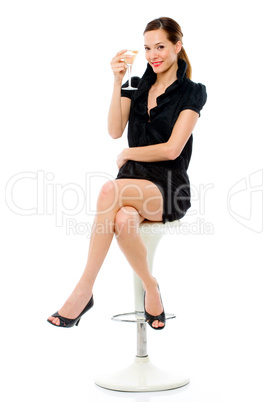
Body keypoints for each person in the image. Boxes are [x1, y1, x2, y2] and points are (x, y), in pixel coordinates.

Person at [47, 17, 207, 330]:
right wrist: (118, 81)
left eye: (160, 46)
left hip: (167, 186)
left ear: (178, 46)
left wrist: (128, 153)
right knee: (121, 219)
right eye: (148, 48)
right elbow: (114, 129)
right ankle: (151, 287)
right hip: (132, 183)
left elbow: (172, 150)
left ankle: (84, 291)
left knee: (109, 191)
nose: (153, 54)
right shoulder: (136, 85)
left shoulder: (192, 92)